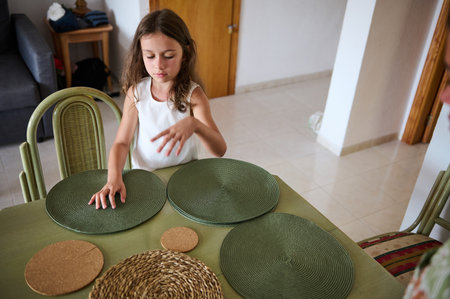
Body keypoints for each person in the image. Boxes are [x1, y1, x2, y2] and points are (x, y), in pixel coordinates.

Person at [89, 9, 226, 209]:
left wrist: (195, 124)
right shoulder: (137, 93)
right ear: (140, 54)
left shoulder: (193, 95)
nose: (158, 65)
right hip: (146, 180)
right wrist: (113, 178)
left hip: (185, 179)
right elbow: (121, 143)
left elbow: (220, 150)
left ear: (185, 54)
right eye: (150, 56)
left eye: (168, 56)